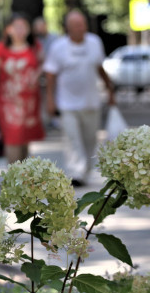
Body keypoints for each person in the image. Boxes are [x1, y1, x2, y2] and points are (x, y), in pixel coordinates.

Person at [43, 10, 115, 187]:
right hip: (67, 104)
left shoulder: (94, 42)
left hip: (91, 102)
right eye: (76, 25)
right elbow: (50, 76)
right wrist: (50, 100)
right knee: (72, 139)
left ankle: (85, 171)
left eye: (82, 24)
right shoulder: (58, 47)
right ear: (67, 28)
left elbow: (100, 68)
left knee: (90, 139)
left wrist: (110, 90)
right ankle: (76, 172)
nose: (80, 28)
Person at [0, 13, 45, 164]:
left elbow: (44, 64)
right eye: (16, 27)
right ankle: (14, 177)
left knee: (25, 140)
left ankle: (24, 179)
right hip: (7, 102)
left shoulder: (35, 47)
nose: (20, 30)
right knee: (13, 139)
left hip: (29, 101)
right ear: (8, 29)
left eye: (23, 27)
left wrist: (36, 76)